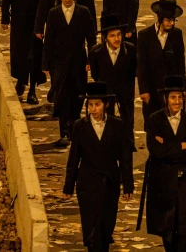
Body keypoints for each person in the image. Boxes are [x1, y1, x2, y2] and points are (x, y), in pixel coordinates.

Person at [63, 82, 134, 252]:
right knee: (91, 226)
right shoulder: (80, 126)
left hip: (110, 182)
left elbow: (125, 157)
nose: (93, 109)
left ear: (106, 105)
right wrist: (68, 186)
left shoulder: (117, 125)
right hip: (87, 183)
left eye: (97, 104)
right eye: (90, 105)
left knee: (106, 224)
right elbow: (74, 158)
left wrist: (128, 185)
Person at [42, 0, 97, 146]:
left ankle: (74, 125)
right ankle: (64, 131)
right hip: (59, 62)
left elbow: (91, 39)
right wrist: (45, 65)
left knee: (78, 95)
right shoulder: (53, 14)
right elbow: (49, 40)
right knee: (62, 96)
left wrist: (91, 60)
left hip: (79, 61)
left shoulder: (83, 12)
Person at [146, 76, 186, 252]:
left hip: (184, 176)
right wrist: (180, 146)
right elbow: (154, 150)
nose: (177, 101)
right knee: (166, 226)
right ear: (166, 98)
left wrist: (167, 146)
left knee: (183, 223)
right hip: (162, 177)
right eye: (173, 97)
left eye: (179, 97)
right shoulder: (155, 119)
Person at [2, 0, 49, 104]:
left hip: (36, 18)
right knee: (19, 51)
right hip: (19, 17)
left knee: (35, 53)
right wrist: (4, 16)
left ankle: (33, 89)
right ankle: (21, 80)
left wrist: (45, 18)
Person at [138, 0, 186, 129]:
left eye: (173, 20)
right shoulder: (144, 35)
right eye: (168, 20)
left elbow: (180, 62)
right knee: (152, 124)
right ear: (160, 19)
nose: (171, 23)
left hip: (172, 88)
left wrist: (184, 87)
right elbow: (141, 65)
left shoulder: (177, 34)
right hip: (152, 89)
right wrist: (144, 90)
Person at [88, 14, 137, 145]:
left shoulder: (130, 50)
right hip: (106, 93)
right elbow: (95, 73)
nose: (117, 39)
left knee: (127, 122)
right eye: (112, 36)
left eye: (119, 35)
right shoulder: (96, 52)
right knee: (106, 122)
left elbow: (133, 71)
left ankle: (127, 146)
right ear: (105, 38)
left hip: (125, 93)